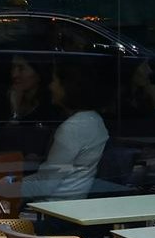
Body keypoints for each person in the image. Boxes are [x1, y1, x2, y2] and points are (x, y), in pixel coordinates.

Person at [21, 69, 112, 201]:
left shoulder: (74, 127)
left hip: (51, 211)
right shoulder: (94, 119)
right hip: (70, 206)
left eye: (55, 81)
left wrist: (3, 188)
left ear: (68, 87)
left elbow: (44, 186)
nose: (50, 86)